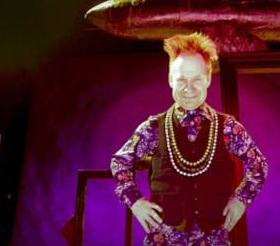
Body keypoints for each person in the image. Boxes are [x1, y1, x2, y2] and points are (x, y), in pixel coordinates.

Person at [110, 32, 268, 245]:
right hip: (164, 240)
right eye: (181, 79)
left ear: (209, 78)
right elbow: (119, 162)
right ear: (170, 80)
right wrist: (135, 202)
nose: (189, 89)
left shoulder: (228, 127)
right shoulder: (154, 127)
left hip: (213, 240)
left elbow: (259, 165)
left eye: (197, 80)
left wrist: (241, 202)